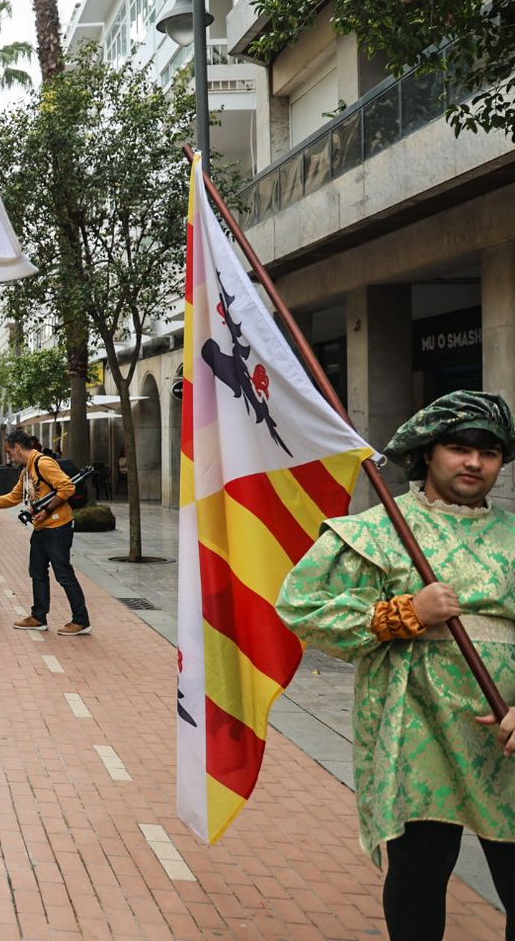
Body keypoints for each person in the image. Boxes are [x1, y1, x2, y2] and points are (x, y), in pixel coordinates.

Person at [278, 391, 515, 938]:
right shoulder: (379, 530)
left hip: (504, 733)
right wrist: (404, 613)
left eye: (489, 453)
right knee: (420, 875)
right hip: (416, 731)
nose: (474, 463)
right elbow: (301, 605)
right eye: (459, 449)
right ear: (427, 452)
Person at [0, 429, 90, 635]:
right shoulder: (27, 471)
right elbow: (13, 497)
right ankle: (38, 617)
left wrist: (48, 510)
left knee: (64, 574)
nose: (9, 456)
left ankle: (81, 620)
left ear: (17, 447)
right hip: (41, 528)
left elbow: (67, 487)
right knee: (37, 572)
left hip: (58, 527)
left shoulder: (43, 463)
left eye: (9, 451)